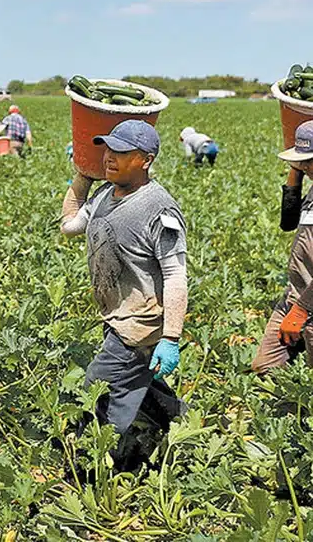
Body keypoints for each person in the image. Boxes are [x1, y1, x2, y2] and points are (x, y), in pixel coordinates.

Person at [60, 119, 188, 471]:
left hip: (140, 323)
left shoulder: (159, 208)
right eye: (108, 150)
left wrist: (171, 338)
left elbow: (176, 276)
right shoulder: (105, 194)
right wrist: (83, 177)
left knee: (97, 390)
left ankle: (93, 466)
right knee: (139, 384)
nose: (110, 158)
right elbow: (69, 225)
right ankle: (178, 424)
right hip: (116, 315)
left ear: (145, 160)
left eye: (121, 152)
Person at [253, 121, 313, 374]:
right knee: (265, 367)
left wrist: (302, 311)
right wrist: (296, 172)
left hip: (306, 304)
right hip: (295, 296)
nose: (307, 167)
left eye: (310, 161)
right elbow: (288, 221)